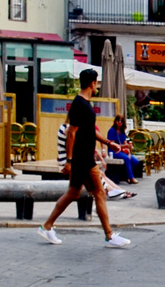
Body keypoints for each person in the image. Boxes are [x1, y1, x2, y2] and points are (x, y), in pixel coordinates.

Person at [39, 70, 130, 248]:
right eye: (97, 83)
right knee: (99, 193)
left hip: (84, 158)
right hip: (82, 159)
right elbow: (71, 133)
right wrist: (69, 161)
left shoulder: (84, 104)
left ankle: (47, 226)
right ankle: (109, 235)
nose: (97, 86)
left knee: (74, 193)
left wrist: (108, 142)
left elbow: (90, 131)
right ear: (92, 83)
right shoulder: (79, 104)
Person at [107, 117, 143, 183]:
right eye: (118, 121)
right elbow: (112, 145)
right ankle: (131, 177)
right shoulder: (112, 131)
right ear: (115, 121)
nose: (120, 122)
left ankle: (126, 175)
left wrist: (128, 151)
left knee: (135, 161)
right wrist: (125, 146)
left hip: (122, 151)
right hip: (114, 151)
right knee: (126, 158)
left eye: (121, 121)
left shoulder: (122, 131)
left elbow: (125, 143)